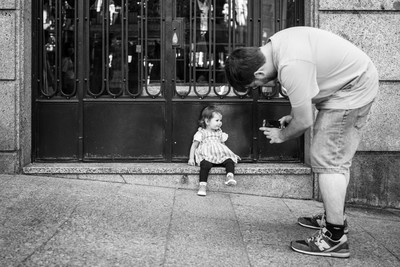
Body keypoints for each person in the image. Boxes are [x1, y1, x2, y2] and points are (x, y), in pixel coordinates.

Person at [224, 26, 379, 258]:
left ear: (257, 74)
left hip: (352, 89)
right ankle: (334, 216)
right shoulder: (276, 44)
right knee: (335, 158)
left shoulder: (290, 64)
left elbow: (304, 121)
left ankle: (334, 237)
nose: (258, 88)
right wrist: (294, 115)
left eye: (253, 86)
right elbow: (304, 95)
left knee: (328, 158)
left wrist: (282, 135)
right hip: (348, 84)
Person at [188, 105, 241, 196]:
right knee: (205, 165)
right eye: (217, 120)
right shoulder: (201, 133)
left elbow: (224, 147)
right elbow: (194, 146)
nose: (220, 123)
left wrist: (232, 155)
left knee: (229, 160)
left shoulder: (220, 133)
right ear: (207, 121)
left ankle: (229, 176)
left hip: (219, 156)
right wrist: (191, 158)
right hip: (207, 156)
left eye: (220, 120)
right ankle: (202, 186)